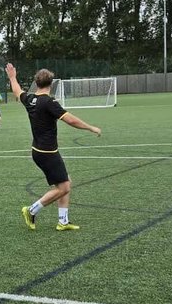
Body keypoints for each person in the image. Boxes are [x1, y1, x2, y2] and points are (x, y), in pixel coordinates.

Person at [6, 63, 101, 231]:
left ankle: (63, 221)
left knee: (65, 183)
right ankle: (31, 210)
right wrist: (90, 127)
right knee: (64, 187)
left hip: (39, 151)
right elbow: (70, 119)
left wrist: (12, 77)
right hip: (47, 153)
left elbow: (16, 90)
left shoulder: (30, 99)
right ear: (51, 83)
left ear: (36, 83)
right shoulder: (49, 102)